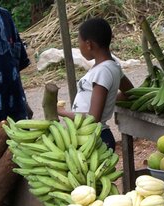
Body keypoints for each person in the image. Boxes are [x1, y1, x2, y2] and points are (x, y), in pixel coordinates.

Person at [57, 18, 133, 151]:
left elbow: (92, 119)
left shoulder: (102, 71)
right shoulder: (112, 66)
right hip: (92, 137)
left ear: (88, 44)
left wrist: (62, 112)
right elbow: (129, 92)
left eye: (79, 42)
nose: (79, 47)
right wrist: (106, 101)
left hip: (95, 139)